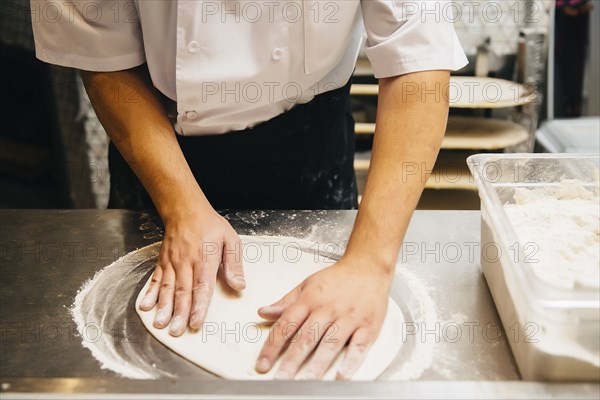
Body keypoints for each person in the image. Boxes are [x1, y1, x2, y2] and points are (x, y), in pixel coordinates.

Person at [32, 0, 467, 379]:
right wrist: (180, 206)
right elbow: (102, 55)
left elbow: (419, 62)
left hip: (310, 154)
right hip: (157, 154)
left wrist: (370, 263)